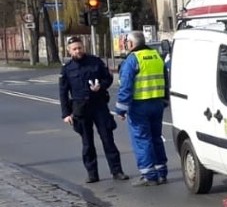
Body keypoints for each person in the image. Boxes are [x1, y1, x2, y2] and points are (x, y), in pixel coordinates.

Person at [59, 34, 129, 184]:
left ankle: (117, 171)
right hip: (80, 109)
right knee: (87, 143)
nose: (78, 51)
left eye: (80, 47)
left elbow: (108, 78)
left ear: (84, 47)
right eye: (74, 49)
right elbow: (63, 92)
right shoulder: (67, 69)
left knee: (108, 140)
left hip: (99, 106)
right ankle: (92, 174)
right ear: (69, 51)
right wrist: (66, 114)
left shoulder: (95, 62)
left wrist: (101, 86)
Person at [115, 29, 170, 186]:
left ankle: (149, 175)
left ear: (131, 43)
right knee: (156, 138)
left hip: (139, 106)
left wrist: (121, 109)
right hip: (157, 104)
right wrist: (165, 100)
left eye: (126, 43)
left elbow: (126, 86)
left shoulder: (132, 59)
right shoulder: (156, 57)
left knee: (142, 140)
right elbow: (166, 80)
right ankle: (162, 172)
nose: (125, 45)